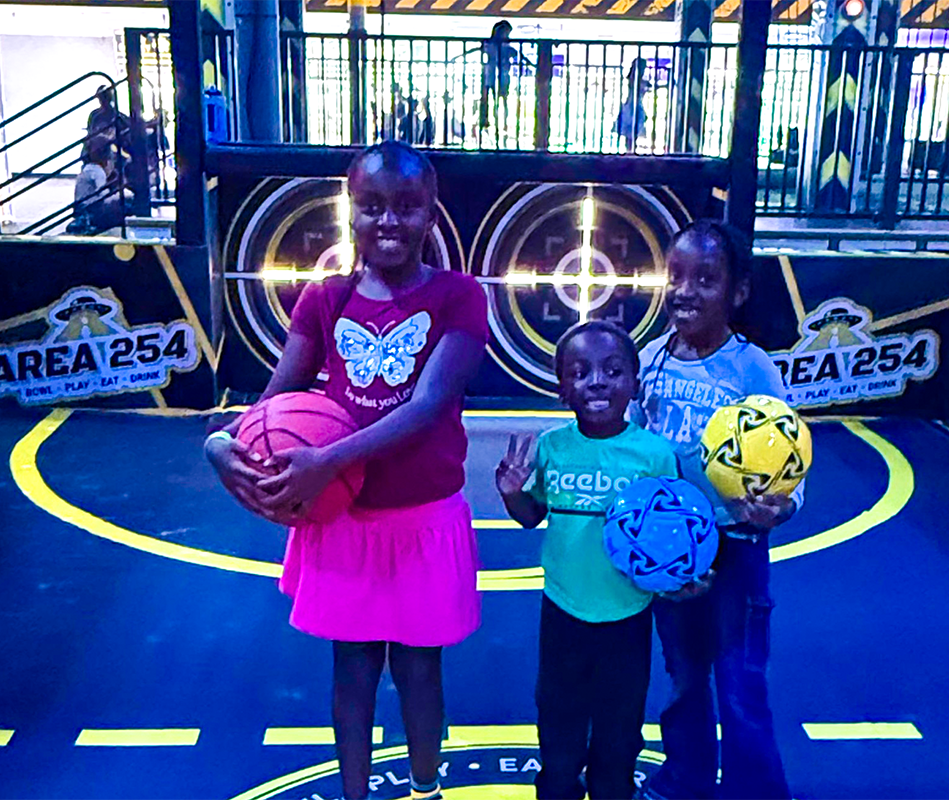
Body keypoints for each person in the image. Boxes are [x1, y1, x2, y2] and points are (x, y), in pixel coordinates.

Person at [205, 141, 489, 800]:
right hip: (344, 520)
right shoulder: (324, 299)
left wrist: (327, 458)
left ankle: (426, 790)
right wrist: (221, 445)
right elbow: (275, 402)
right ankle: (355, 795)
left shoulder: (459, 297)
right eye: (372, 207)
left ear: (431, 213)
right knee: (352, 672)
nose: (389, 221)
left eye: (407, 207)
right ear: (350, 212)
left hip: (424, 519)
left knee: (421, 673)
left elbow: (426, 408)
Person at [496, 320, 712, 800]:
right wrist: (513, 496)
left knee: (618, 736)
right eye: (580, 372)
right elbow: (532, 516)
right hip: (563, 614)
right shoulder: (553, 447)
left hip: (627, 618)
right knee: (558, 729)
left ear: (633, 384)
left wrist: (685, 578)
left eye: (613, 371)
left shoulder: (655, 455)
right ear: (561, 387)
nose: (597, 382)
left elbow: (675, 539)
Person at [630, 220, 801, 800]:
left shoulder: (751, 369)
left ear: (738, 292)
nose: (685, 291)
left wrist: (780, 507)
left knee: (740, 687)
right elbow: (637, 446)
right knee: (683, 681)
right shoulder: (651, 359)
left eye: (705, 279)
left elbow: (787, 457)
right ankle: (687, 780)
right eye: (676, 276)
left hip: (736, 552)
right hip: (675, 555)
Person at [613, 58, 651, 153]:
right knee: (632, 130)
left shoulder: (632, 78)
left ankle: (629, 151)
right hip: (633, 105)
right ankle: (630, 151)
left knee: (630, 131)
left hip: (631, 105)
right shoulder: (635, 80)